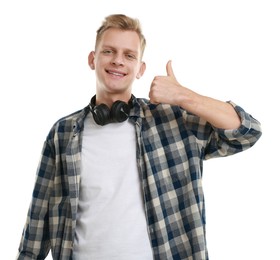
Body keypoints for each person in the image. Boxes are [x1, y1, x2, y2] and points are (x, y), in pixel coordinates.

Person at [16, 14, 262, 260]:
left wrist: (183, 96)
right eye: (109, 51)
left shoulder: (172, 121)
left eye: (129, 55)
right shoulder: (63, 133)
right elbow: (37, 223)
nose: (118, 61)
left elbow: (247, 132)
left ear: (140, 69)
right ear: (93, 59)